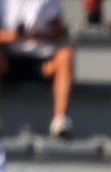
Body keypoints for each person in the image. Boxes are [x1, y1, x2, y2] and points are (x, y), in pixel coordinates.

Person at [0, 0, 75, 139]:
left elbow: (58, 31)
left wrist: (38, 35)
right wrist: (13, 35)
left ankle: (60, 119)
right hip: (10, 60)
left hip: (41, 60)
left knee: (66, 55)